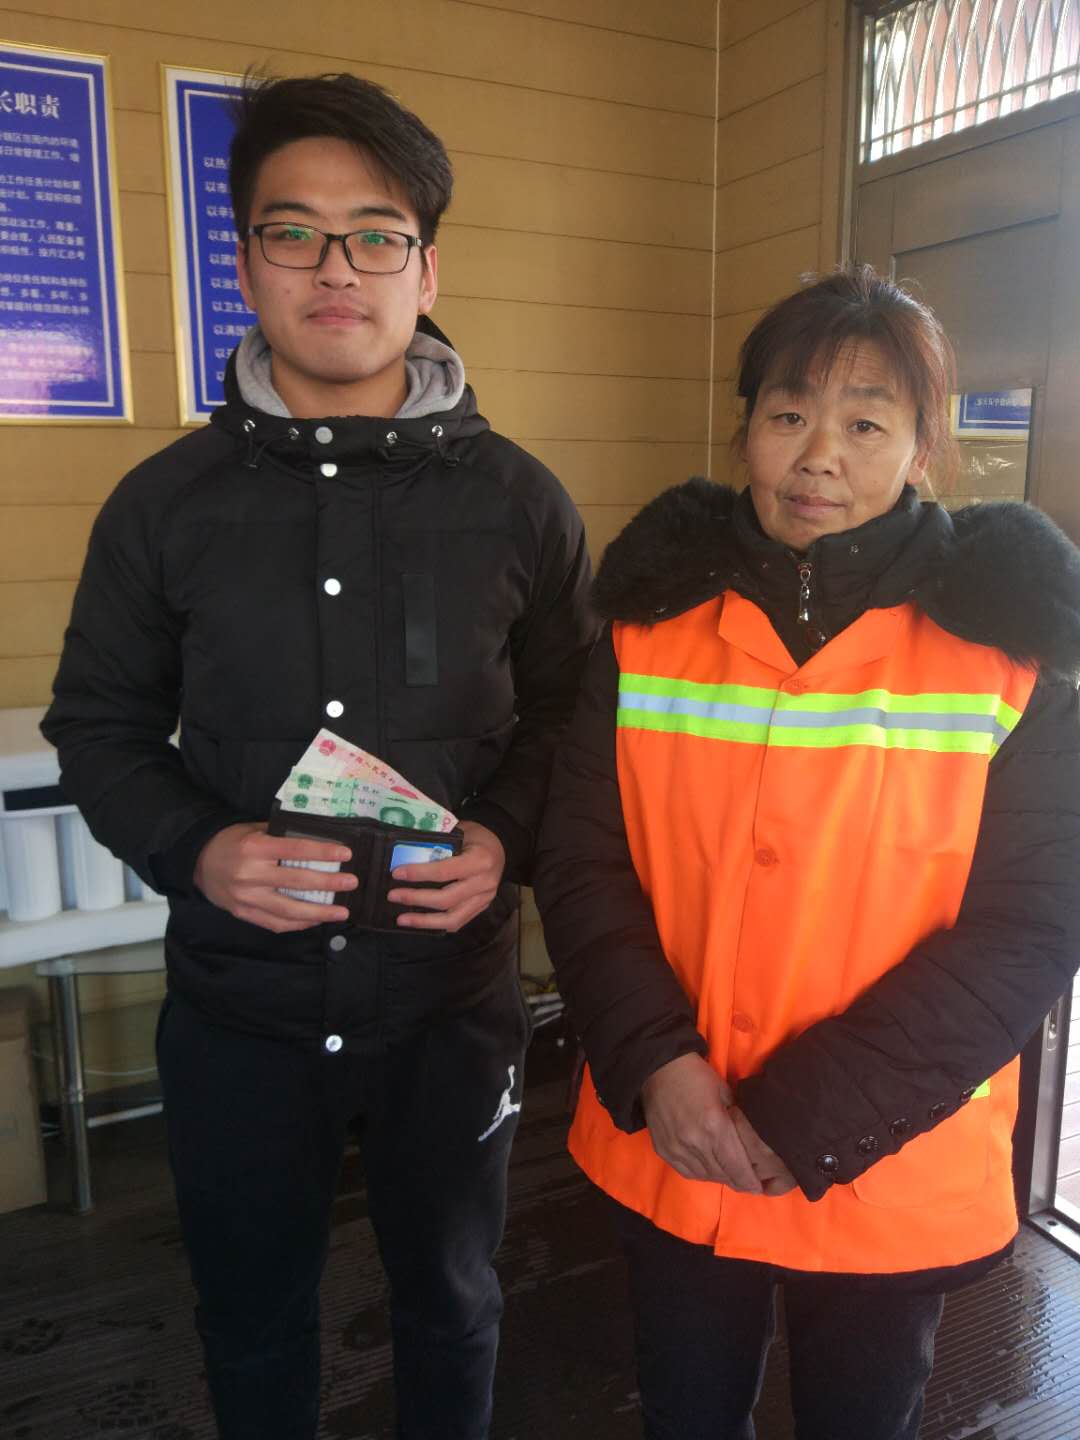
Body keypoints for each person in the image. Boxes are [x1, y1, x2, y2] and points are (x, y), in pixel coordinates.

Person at [43, 73, 594, 1440]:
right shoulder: (163, 507)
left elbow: (574, 718)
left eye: (375, 235)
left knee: (455, 1305)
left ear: (426, 268)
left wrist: (503, 840)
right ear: (245, 265)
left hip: (450, 1011)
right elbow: (97, 726)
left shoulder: (519, 501)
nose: (335, 269)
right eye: (294, 233)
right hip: (241, 1016)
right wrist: (197, 848)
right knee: (250, 1323)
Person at [533, 266, 1080, 1440]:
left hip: (891, 1149)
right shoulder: (646, 634)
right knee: (685, 1407)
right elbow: (581, 861)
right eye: (789, 414)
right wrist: (659, 1063)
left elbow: (1033, 926)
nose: (818, 455)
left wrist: (810, 1112)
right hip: (676, 1134)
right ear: (746, 432)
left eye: (866, 424)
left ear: (924, 450)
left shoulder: (1011, 662)